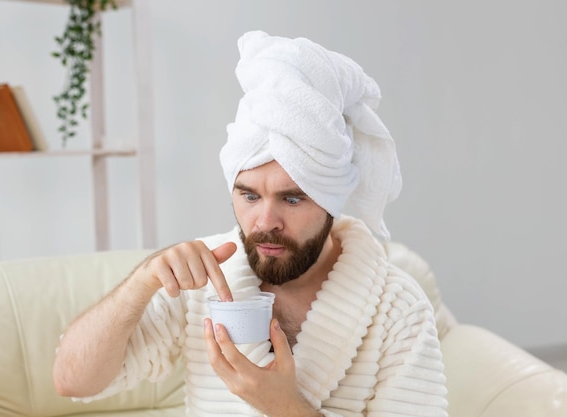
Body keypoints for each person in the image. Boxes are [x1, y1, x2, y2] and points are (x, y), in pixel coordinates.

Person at [53, 30, 449, 417]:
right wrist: (141, 282)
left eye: (292, 198)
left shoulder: (397, 309)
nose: (264, 222)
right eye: (249, 195)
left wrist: (284, 407)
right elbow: (73, 381)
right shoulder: (204, 278)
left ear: (331, 202)